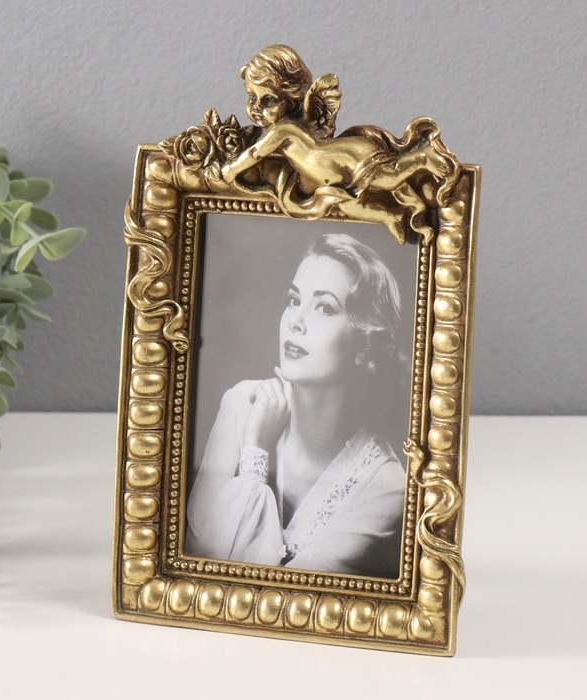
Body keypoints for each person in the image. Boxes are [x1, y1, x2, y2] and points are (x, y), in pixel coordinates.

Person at [186, 233, 407, 577]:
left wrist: (255, 454)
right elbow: (198, 557)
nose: (295, 321)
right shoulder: (242, 405)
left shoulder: (386, 487)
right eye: (294, 300)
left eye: (324, 307)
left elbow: (273, 588)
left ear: (366, 344)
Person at [220, 44, 457, 220]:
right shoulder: (284, 128)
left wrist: (231, 169)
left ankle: (422, 157)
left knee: (388, 179)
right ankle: (394, 216)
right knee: (351, 201)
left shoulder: (283, 131)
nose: (256, 108)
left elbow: (255, 153)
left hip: (347, 158)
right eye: (252, 96)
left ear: (292, 99)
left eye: (269, 100)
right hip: (336, 166)